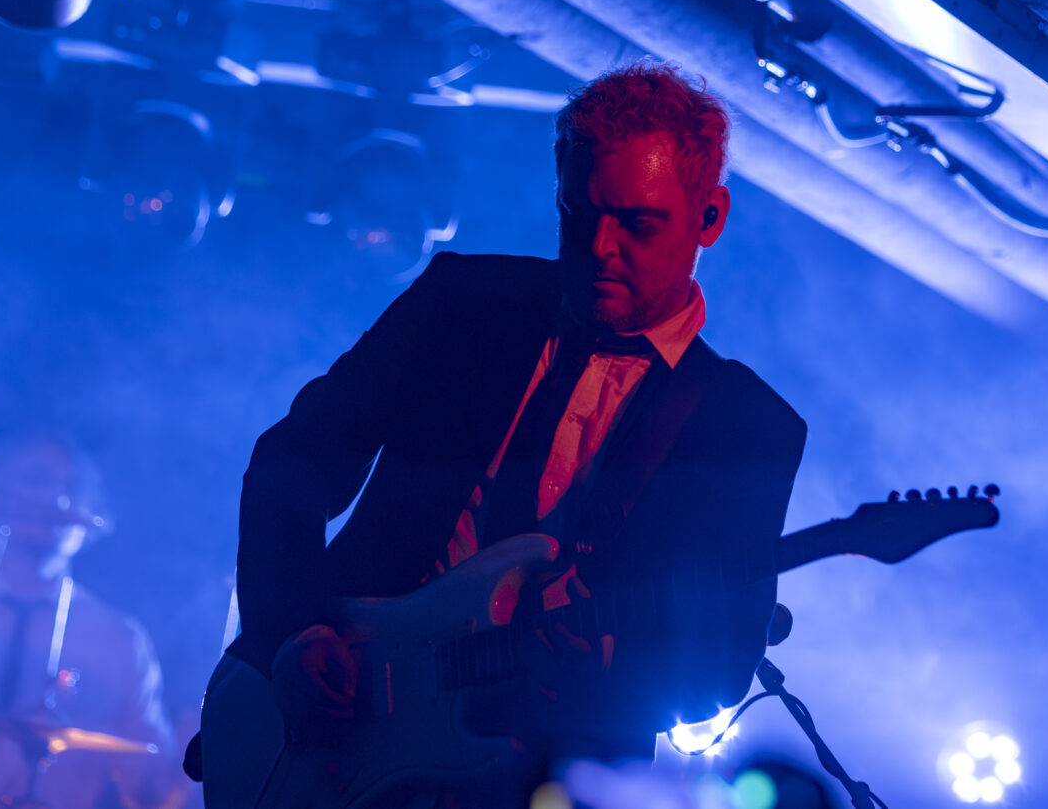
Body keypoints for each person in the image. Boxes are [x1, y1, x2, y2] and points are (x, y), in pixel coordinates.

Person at [226, 60, 807, 802]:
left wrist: (603, 664)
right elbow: (293, 463)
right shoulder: (463, 303)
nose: (600, 248)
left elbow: (715, 671)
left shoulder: (746, 427)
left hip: (545, 782)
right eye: (578, 215)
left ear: (709, 218)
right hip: (339, 735)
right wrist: (291, 633)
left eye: (637, 223)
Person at [0, 434, 176, 809]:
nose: (58, 500)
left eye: (73, 488)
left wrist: (192, 755)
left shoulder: (119, 641)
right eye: (36, 480)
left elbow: (153, 787)